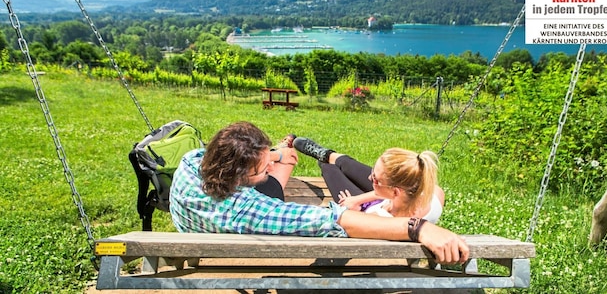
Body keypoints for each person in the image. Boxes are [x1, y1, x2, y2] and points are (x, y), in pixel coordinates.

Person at [169, 121, 469, 265]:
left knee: (330, 166)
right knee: (334, 169)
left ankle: (327, 157)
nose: (267, 171)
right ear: (238, 176)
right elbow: (332, 220)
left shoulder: (190, 163)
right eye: (262, 170)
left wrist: (273, 156)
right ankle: (328, 157)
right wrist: (419, 227)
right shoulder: (252, 210)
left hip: (194, 235)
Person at [292, 137, 445, 223]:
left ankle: (323, 159)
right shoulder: (433, 198)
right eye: (373, 171)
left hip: (365, 209)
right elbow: (435, 190)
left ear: (395, 191)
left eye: (375, 178)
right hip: (383, 198)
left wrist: (352, 208)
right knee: (348, 165)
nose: (369, 177)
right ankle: (326, 153)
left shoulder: (382, 220)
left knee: (329, 169)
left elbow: (351, 222)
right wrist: (358, 198)